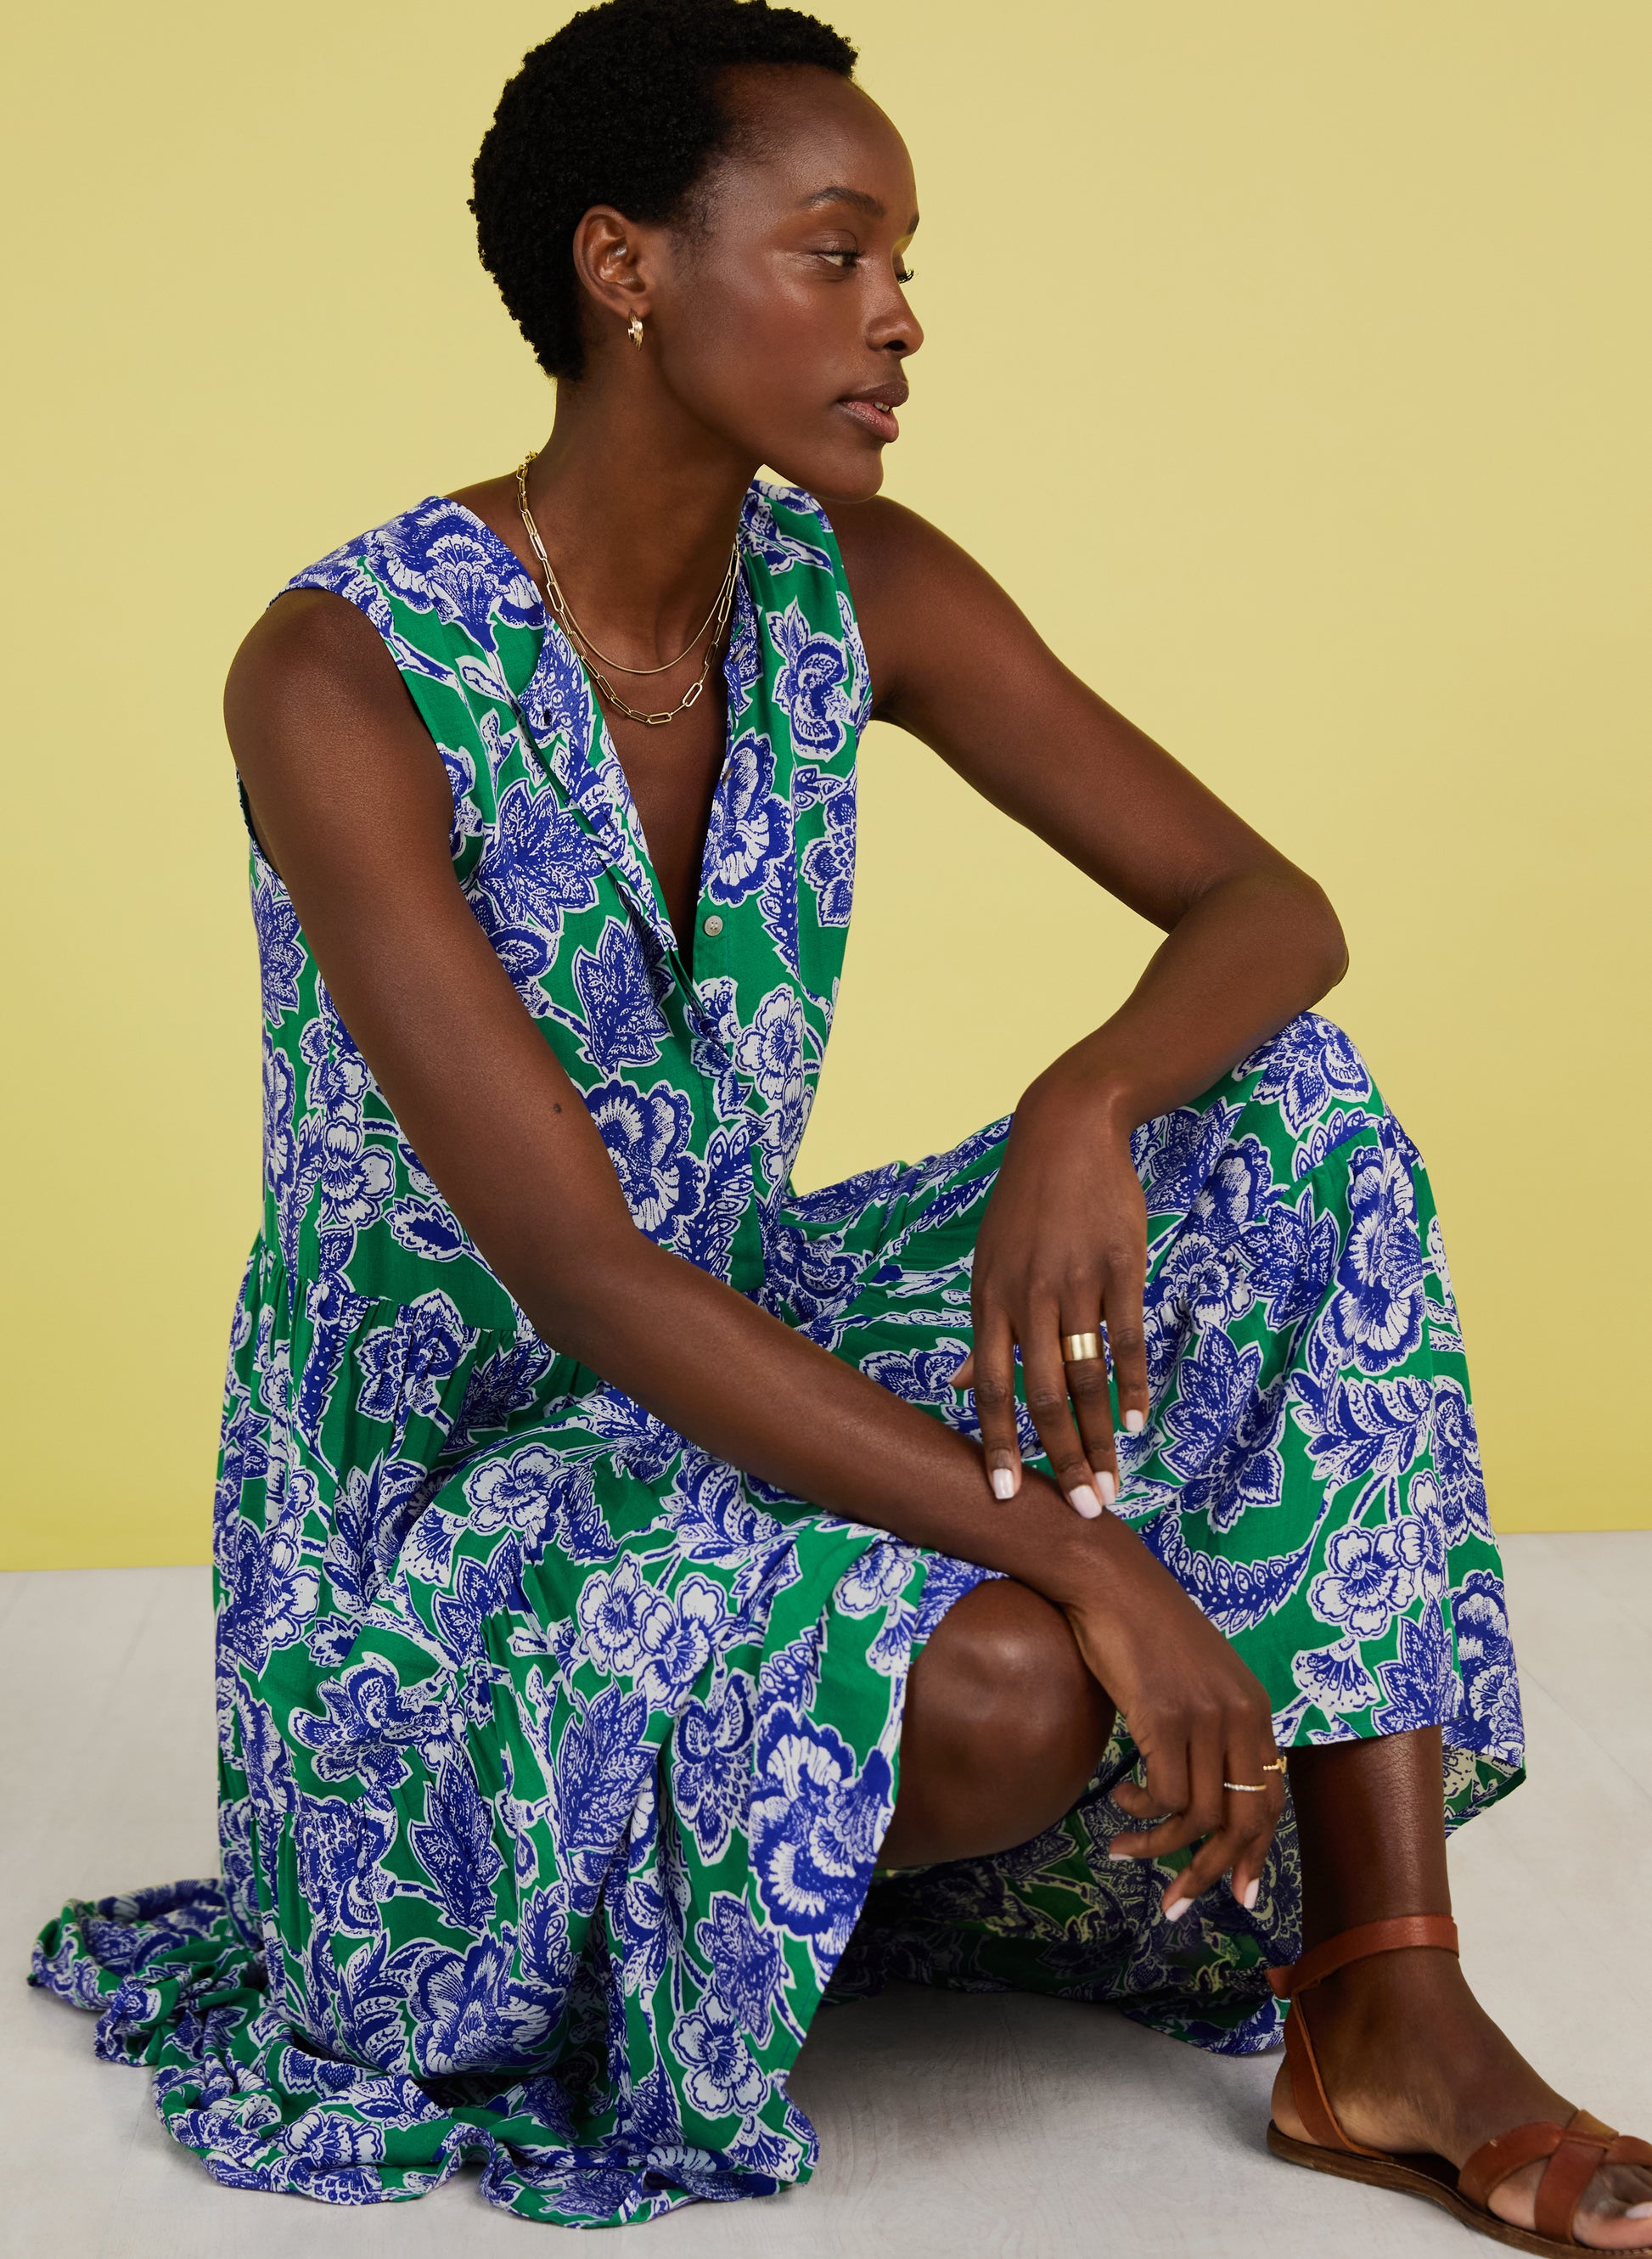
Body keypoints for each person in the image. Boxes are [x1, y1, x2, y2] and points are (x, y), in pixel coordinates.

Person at [31, 0, 1650, 2241]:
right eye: (834, 251)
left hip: (739, 1341)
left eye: (902, 263)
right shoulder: (341, 671)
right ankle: (738, 1843)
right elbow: (582, 1277)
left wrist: (1086, 1099)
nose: (899, 317)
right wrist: (1088, 1552)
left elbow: (1268, 911)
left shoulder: (859, 592)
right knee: (1002, 1691)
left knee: (1289, 1110)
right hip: (455, 1512)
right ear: (624, 266)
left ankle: (1387, 1999)